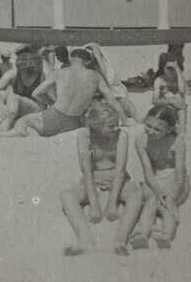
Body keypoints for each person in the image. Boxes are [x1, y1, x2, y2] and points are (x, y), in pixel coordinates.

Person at [60, 100, 144, 256]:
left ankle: (121, 239)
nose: (116, 128)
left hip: (116, 177)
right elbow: (87, 170)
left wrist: (112, 202)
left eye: (116, 124)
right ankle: (85, 240)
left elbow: (120, 169)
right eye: (111, 126)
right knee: (66, 196)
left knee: (136, 194)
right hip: (93, 177)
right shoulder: (84, 137)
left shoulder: (121, 136)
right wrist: (94, 205)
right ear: (97, 126)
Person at [6, 47, 128, 138]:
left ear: (71, 59)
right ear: (87, 62)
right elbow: (111, 99)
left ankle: (15, 133)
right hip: (74, 123)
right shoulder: (95, 76)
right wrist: (125, 120)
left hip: (53, 119)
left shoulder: (59, 73)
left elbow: (36, 93)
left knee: (23, 121)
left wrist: (52, 102)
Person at [131, 104, 189, 249]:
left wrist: (171, 196)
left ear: (169, 129)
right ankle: (143, 235)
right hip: (154, 178)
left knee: (168, 205)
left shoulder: (177, 142)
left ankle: (166, 235)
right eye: (148, 125)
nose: (150, 131)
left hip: (175, 179)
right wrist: (158, 192)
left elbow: (180, 174)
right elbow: (148, 171)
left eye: (157, 129)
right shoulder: (141, 141)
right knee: (151, 201)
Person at [152, 60, 187, 130]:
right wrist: (170, 101)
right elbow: (155, 101)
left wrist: (178, 71)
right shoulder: (159, 80)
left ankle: (182, 131)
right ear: (164, 68)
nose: (170, 71)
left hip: (178, 108)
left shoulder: (179, 79)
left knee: (180, 103)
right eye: (168, 68)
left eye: (173, 69)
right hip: (164, 106)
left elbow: (182, 91)